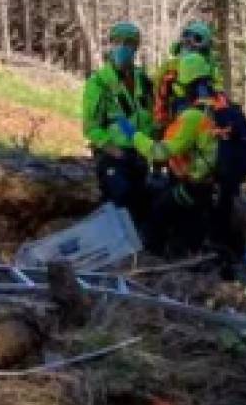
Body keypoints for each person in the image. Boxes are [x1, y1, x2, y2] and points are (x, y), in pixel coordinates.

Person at [132, 52, 220, 257]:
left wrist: (135, 137)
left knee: (160, 209)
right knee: (189, 225)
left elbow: (160, 152)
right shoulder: (215, 109)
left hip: (195, 187)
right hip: (210, 185)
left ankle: (152, 256)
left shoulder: (192, 117)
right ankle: (189, 254)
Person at [82, 21, 155, 222]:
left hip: (140, 155)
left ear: (136, 47)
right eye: (118, 42)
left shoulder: (143, 80)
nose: (123, 47)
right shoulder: (99, 82)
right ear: (111, 45)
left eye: (129, 43)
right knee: (119, 201)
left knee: (140, 206)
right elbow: (90, 127)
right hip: (114, 156)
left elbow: (151, 115)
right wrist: (114, 150)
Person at [153, 20, 223, 130]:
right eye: (186, 37)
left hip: (200, 113)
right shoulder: (170, 65)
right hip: (174, 114)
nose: (189, 42)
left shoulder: (210, 68)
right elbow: (157, 89)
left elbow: (217, 93)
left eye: (196, 39)